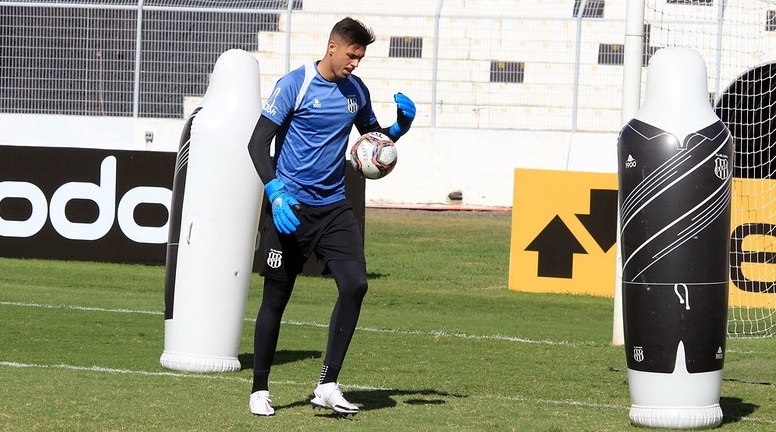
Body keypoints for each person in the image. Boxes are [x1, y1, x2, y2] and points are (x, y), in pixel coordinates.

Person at [245, 17, 416, 417]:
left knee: (355, 285)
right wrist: (275, 191)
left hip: (335, 206)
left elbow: (371, 141)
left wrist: (399, 128)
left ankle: (327, 383)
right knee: (276, 298)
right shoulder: (296, 84)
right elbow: (256, 144)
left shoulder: (356, 90)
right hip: (290, 208)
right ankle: (259, 388)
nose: (355, 63)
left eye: (360, 58)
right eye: (352, 55)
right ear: (333, 46)